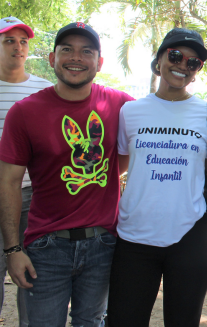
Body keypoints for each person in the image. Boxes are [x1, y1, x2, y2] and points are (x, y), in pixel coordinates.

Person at [0, 22, 133, 327]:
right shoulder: (25, 111)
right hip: (45, 247)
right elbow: (7, 181)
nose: (76, 57)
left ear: (99, 62)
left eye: (86, 51)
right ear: (51, 58)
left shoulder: (121, 105)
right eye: (67, 50)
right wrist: (12, 249)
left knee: (92, 322)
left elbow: (123, 161)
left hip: (104, 244)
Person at [105, 28, 207, 327]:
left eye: (193, 62)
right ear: (158, 60)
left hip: (190, 236)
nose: (182, 65)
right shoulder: (131, 111)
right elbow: (122, 165)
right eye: (175, 56)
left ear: (197, 72)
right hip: (134, 237)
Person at [0, 16, 52, 327]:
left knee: (31, 280)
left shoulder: (43, 90)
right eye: (9, 41)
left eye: (23, 42)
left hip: (31, 199)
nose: (18, 47)